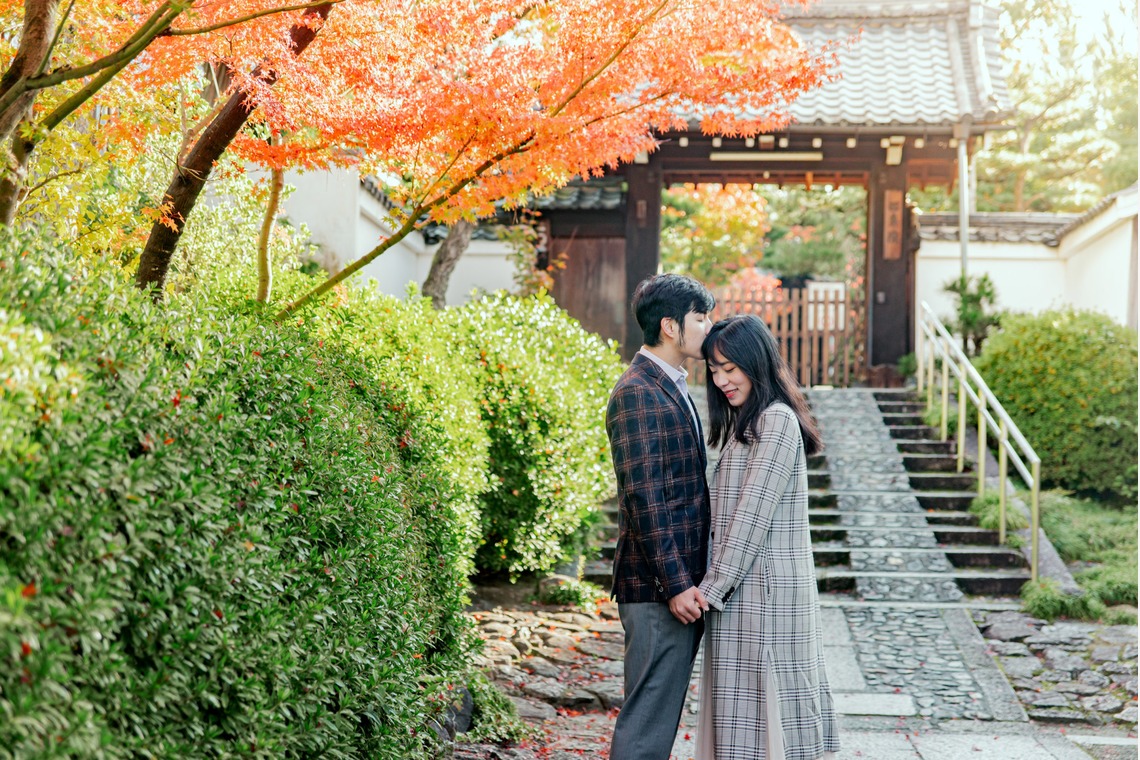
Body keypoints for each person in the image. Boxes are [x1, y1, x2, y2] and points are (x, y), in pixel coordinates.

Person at [695, 314, 839, 760]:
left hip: (766, 597)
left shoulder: (776, 422)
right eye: (714, 370)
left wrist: (709, 590)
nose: (721, 380)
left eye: (729, 368)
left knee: (765, 721)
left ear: (754, 363)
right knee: (747, 722)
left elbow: (750, 518)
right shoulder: (746, 425)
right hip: (743, 594)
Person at [606, 273, 716, 760]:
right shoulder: (638, 390)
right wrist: (674, 585)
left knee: (657, 723)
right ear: (671, 326)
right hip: (655, 589)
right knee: (647, 725)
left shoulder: (670, 384)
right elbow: (643, 498)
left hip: (674, 584)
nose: (709, 325)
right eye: (700, 317)